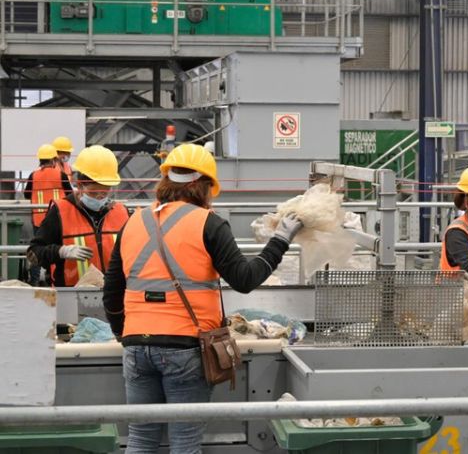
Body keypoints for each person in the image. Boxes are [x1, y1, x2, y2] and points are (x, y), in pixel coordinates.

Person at [103, 143, 303, 454]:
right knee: (185, 443)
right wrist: (281, 239)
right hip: (185, 348)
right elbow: (245, 279)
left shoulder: (132, 222)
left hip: (136, 346)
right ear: (200, 184)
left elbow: (112, 291)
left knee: (141, 439)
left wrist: (124, 335)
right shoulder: (208, 223)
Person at [28, 145, 129, 287]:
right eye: (94, 193)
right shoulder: (61, 212)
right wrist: (61, 251)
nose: (100, 197)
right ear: (80, 186)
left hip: (114, 298)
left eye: (105, 192)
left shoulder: (121, 213)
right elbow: (34, 253)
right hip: (70, 298)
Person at [24, 144, 73, 285]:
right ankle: (49, 278)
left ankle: (34, 282)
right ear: (53, 160)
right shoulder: (60, 174)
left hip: (38, 219)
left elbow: (27, 195)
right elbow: (70, 194)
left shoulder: (33, 175)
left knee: (37, 250)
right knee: (56, 250)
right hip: (58, 218)